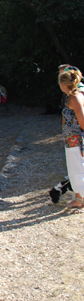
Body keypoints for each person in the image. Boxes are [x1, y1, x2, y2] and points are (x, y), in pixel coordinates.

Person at [60, 68, 84, 212]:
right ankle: (79, 198)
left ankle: (80, 200)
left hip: (75, 141)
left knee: (77, 170)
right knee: (76, 169)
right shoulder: (73, 95)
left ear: (64, 84)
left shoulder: (75, 97)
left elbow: (82, 120)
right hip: (71, 140)